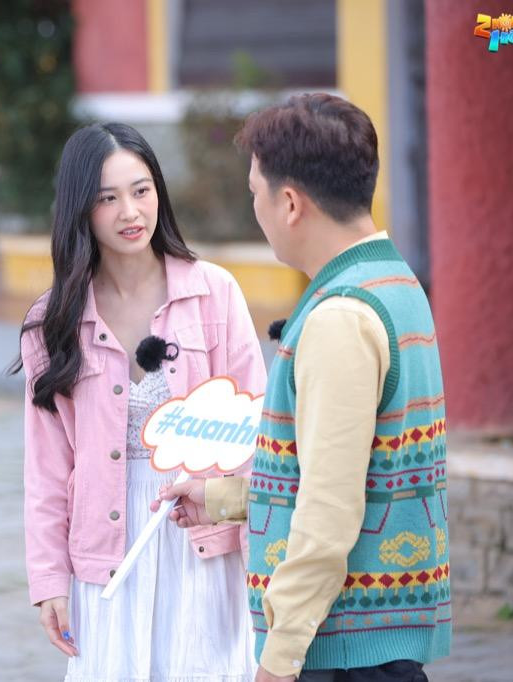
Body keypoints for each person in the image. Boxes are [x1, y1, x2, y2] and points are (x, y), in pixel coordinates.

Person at [159, 93, 450, 682]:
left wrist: (280, 657)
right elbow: (353, 471)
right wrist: (224, 498)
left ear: (290, 203)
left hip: (340, 649)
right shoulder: (395, 283)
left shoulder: (340, 314)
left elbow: (328, 511)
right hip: (376, 642)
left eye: (255, 193)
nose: (257, 210)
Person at [16, 122, 266, 681]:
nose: (130, 212)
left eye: (141, 190)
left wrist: (237, 519)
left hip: (201, 540)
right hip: (104, 552)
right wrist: (49, 580)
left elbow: (258, 439)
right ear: (80, 209)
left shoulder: (213, 294)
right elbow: (47, 468)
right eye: (107, 198)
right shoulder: (52, 321)